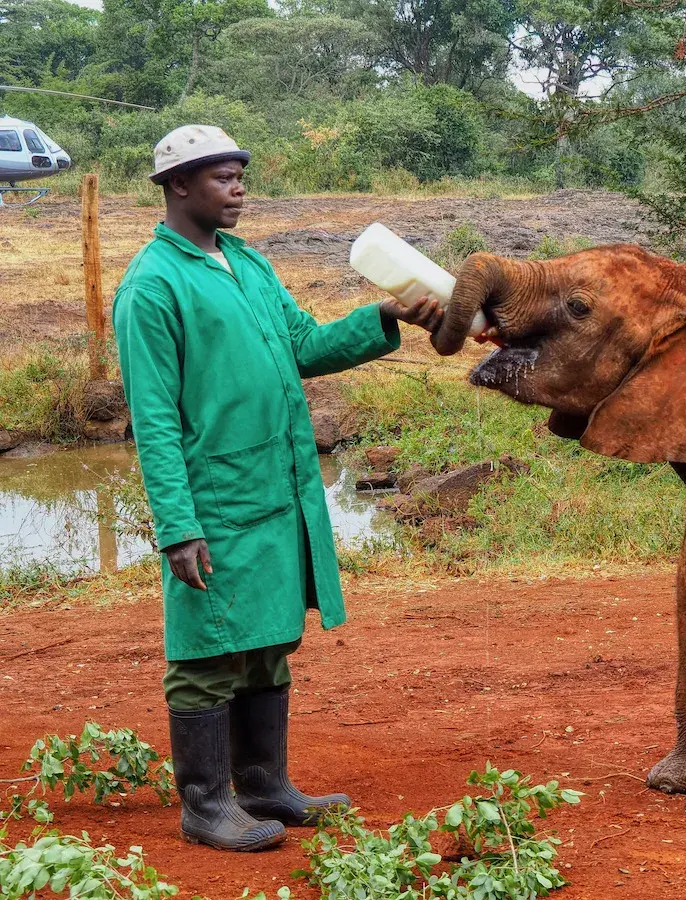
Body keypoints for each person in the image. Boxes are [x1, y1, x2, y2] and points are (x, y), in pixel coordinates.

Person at [113, 125, 443, 852]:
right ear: (177, 186)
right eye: (222, 179)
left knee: (266, 641)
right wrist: (178, 524)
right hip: (214, 500)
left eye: (239, 176)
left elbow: (301, 347)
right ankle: (205, 804)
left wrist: (383, 317)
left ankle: (264, 785)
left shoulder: (246, 264)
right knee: (205, 652)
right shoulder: (152, 286)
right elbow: (156, 421)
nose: (238, 190)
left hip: (273, 486)